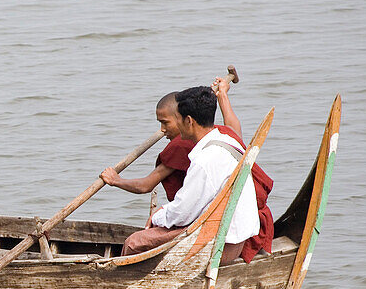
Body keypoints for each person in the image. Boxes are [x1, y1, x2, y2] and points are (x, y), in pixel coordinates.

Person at [103, 78, 273, 261]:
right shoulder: (227, 138)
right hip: (236, 235)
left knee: (134, 242)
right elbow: (234, 126)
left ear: (189, 121)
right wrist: (222, 95)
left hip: (222, 245)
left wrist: (157, 217)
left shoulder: (203, 159)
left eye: (174, 120)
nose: (163, 130)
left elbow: (182, 212)